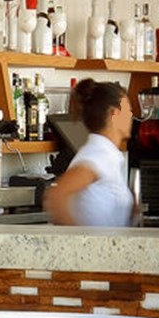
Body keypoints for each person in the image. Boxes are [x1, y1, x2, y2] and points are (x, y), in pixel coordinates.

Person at [44, 78, 137, 227]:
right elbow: (57, 195)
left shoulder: (108, 154)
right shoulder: (99, 154)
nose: (132, 116)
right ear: (114, 114)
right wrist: (82, 241)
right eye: (128, 111)